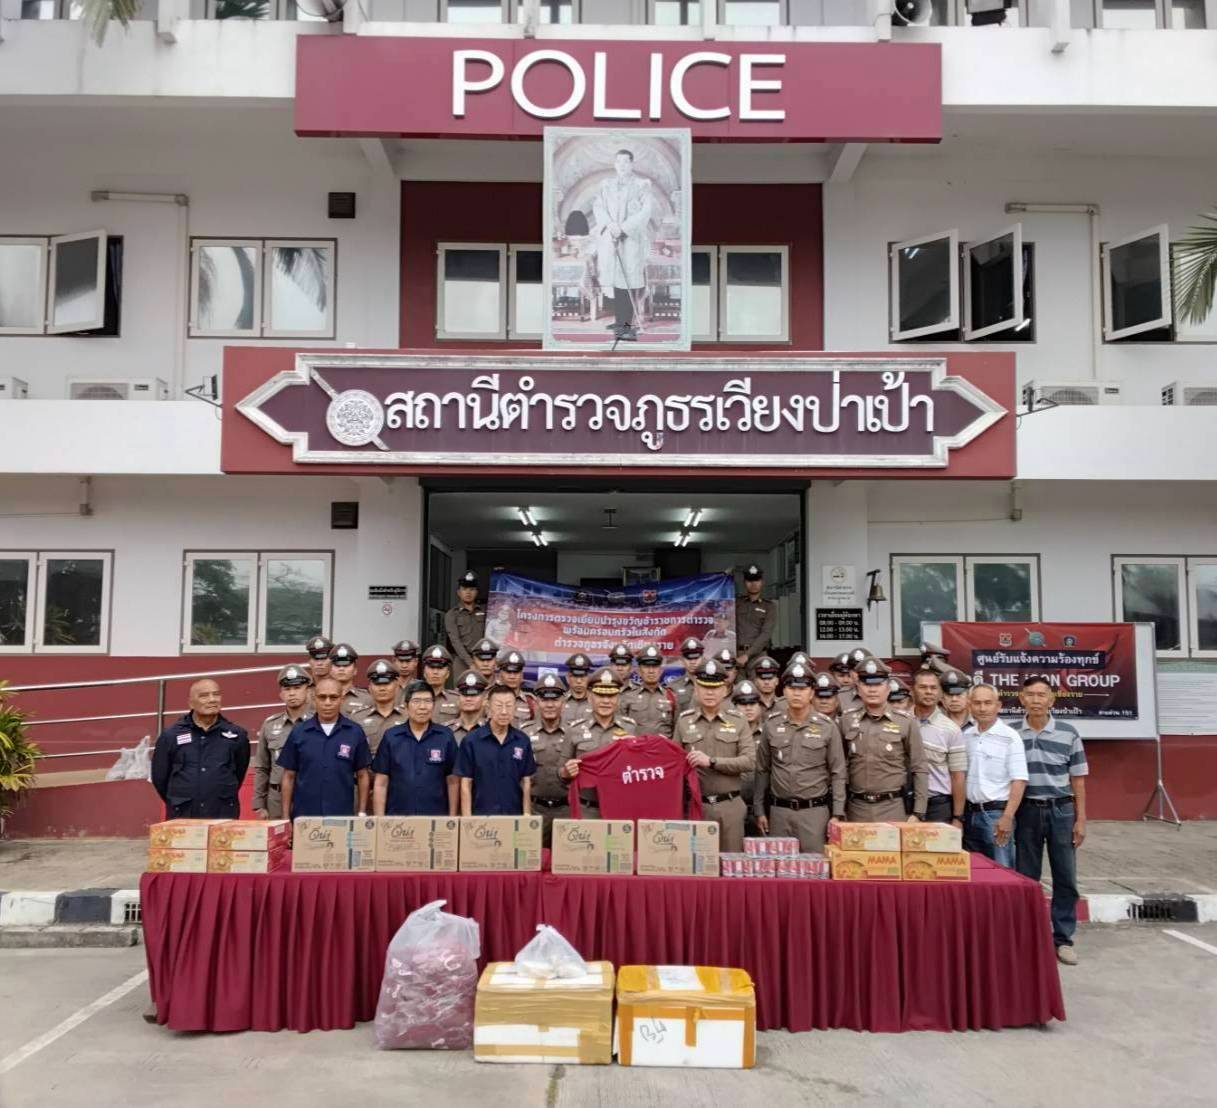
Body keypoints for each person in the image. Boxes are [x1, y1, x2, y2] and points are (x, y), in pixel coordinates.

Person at [1016, 675, 1089, 966]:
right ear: (1021, 698)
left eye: (1041, 695)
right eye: (1030, 694)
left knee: (1065, 877)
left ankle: (1063, 939)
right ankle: (1029, 937)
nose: (1036, 700)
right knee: (1026, 877)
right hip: (1025, 811)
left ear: (1051, 699)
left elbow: (1078, 780)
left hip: (1061, 811)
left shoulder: (1068, 733)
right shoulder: (1011, 733)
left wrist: (1081, 819)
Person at [753, 662, 846, 853]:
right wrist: (759, 810)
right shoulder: (771, 725)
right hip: (779, 812)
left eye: (802, 689)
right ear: (784, 691)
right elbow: (762, 769)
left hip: (814, 813)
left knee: (815, 865)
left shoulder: (827, 727)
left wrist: (837, 813)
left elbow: (838, 773)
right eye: (792, 688)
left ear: (811, 693)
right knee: (779, 866)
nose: (797, 693)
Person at [674, 657, 755, 852]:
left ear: (725, 690)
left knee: (730, 864)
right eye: (704, 687)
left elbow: (749, 761)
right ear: (696, 688)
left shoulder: (738, 721)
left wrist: (712, 762)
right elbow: (674, 765)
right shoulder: (684, 722)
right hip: (696, 806)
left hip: (730, 806)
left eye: (715, 687)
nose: (710, 692)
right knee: (697, 864)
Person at [841, 658, 927, 823]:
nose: (872, 690)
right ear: (858, 688)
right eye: (867, 684)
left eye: (878, 684)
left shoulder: (905, 722)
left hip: (892, 807)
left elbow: (920, 767)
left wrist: (918, 811)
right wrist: (839, 810)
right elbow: (839, 767)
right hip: (856, 808)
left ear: (888, 688)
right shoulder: (846, 720)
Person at [151, 679, 250, 820]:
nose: (212, 699)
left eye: (216, 694)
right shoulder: (171, 735)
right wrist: (179, 799)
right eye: (204, 696)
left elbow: (239, 772)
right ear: (190, 703)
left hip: (222, 814)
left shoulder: (237, 735)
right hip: (183, 815)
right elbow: (160, 778)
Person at [278, 677, 371, 819]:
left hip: (341, 815)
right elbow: (288, 776)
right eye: (322, 697)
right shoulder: (299, 732)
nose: (328, 703)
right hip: (305, 815)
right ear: (314, 699)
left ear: (342, 699)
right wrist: (285, 817)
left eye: (333, 697)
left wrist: (362, 812)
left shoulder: (355, 732)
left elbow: (362, 775)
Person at [962, 683, 1028, 868]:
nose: (982, 708)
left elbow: (1019, 780)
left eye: (988, 703)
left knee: (1002, 870)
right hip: (970, 814)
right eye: (977, 703)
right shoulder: (966, 736)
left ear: (998, 706)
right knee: (974, 871)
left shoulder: (1010, 737)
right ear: (970, 705)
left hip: (996, 815)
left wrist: (1007, 817)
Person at [371, 680, 459, 817]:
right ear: (406, 706)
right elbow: (381, 783)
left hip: (436, 817)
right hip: (397, 819)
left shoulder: (445, 736)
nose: (422, 707)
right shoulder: (391, 737)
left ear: (433, 705)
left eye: (428, 701)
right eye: (416, 701)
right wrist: (379, 820)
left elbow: (452, 781)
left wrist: (452, 818)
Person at [592, 148, 653, 341]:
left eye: (626, 162)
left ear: (632, 164)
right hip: (612, 238)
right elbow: (598, 207)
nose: (622, 166)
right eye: (618, 162)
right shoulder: (606, 185)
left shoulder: (642, 185)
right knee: (616, 282)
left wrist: (624, 228)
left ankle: (627, 326)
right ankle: (620, 322)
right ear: (614, 164)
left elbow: (646, 211)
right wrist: (610, 225)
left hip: (631, 240)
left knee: (628, 282)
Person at [559, 668, 636, 818]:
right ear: (590, 697)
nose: (606, 701)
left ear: (618, 698)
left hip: (619, 807)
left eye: (611, 696)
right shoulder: (574, 730)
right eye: (600, 695)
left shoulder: (630, 728)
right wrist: (566, 773)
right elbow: (560, 772)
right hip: (586, 810)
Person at [455, 683, 536, 816]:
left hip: (513, 815)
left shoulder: (522, 740)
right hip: (481, 816)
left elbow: (525, 781)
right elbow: (466, 783)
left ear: (515, 708)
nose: (504, 711)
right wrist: (467, 819)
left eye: (509, 706)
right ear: (488, 707)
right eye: (498, 706)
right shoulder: (471, 740)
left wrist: (526, 814)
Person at [252, 664, 313, 820]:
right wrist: (259, 804)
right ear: (281, 694)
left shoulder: (319, 723)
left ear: (308, 691)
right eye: (287, 689)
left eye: (297, 688)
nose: (292, 693)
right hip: (276, 799)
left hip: (310, 796)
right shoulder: (270, 724)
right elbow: (262, 768)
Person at [522, 673, 574, 845]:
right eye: (544, 700)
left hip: (567, 811)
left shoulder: (575, 733)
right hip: (534, 810)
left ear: (563, 702)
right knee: (532, 859)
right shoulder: (523, 733)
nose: (550, 705)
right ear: (536, 703)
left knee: (567, 859)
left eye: (555, 700)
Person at [911, 668, 967, 828]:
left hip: (937, 806)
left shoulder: (951, 729)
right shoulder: (900, 721)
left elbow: (958, 776)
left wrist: (958, 817)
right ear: (912, 691)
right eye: (923, 687)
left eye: (933, 688)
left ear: (940, 693)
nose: (929, 692)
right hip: (904, 803)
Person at [353, 659, 409, 756]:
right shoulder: (357, 717)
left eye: (387, 683)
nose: (382, 688)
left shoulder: (408, 716)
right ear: (369, 687)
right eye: (377, 684)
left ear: (396, 686)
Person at [620, 644, 677, 738]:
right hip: (636, 746)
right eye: (646, 666)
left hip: (663, 746)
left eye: (655, 666)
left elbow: (677, 730)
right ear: (638, 671)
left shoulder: (671, 696)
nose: (651, 671)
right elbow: (621, 728)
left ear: (661, 670)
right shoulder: (628, 696)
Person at [731, 678, 765, 821]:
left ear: (760, 706)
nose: (748, 708)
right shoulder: (727, 734)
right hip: (733, 804)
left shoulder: (769, 733)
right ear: (734, 707)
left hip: (763, 808)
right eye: (743, 704)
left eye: (752, 703)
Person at [735, 565, 777, 672]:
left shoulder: (769, 606)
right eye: (750, 580)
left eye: (757, 580)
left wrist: (747, 655)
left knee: (760, 682)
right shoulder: (737, 603)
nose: (753, 584)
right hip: (737, 655)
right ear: (744, 582)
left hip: (759, 656)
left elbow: (766, 633)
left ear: (762, 582)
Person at [444, 570, 486, 673]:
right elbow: (455, 641)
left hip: (484, 659)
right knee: (461, 683)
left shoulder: (485, 611)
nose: (468, 592)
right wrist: (470, 663)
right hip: (461, 660)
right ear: (458, 592)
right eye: (464, 589)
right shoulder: (452, 614)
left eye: (472, 589)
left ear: (477, 592)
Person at [420, 644, 462, 724]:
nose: (435, 672)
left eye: (440, 668)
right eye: (431, 667)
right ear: (424, 673)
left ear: (448, 674)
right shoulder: (413, 698)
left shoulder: (457, 699)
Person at [329, 643, 373, 712]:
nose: (341, 669)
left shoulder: (367, 699)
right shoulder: (320, 697)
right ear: (330, 670)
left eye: (346, 665)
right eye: (337, 665)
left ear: (355, 670)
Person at [497, 650, 537, 723]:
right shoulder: (489, 699)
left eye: (516, 672)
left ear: (522, 675)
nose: (512, 676)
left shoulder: (531, 702)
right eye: (508, 672)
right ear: (500, 674)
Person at [665, 637, 703, 712]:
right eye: (689, 658)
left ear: (702, 658)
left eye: (696, 658)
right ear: (682, 660)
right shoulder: (673, 687)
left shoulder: (712, 685)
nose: (693, 662)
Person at [450, 670, 488, 743]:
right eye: (464, 694)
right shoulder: (446, 731)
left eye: (474, 695)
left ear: (484, 700)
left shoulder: (493, 729)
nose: (468, 699)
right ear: (458, 699)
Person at [560, 652, 595, 725]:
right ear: (567, 678)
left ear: (589, 678)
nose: (579, 681)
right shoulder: (559, 701)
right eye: (575, 676)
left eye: (582, 676)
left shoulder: (596, 701)